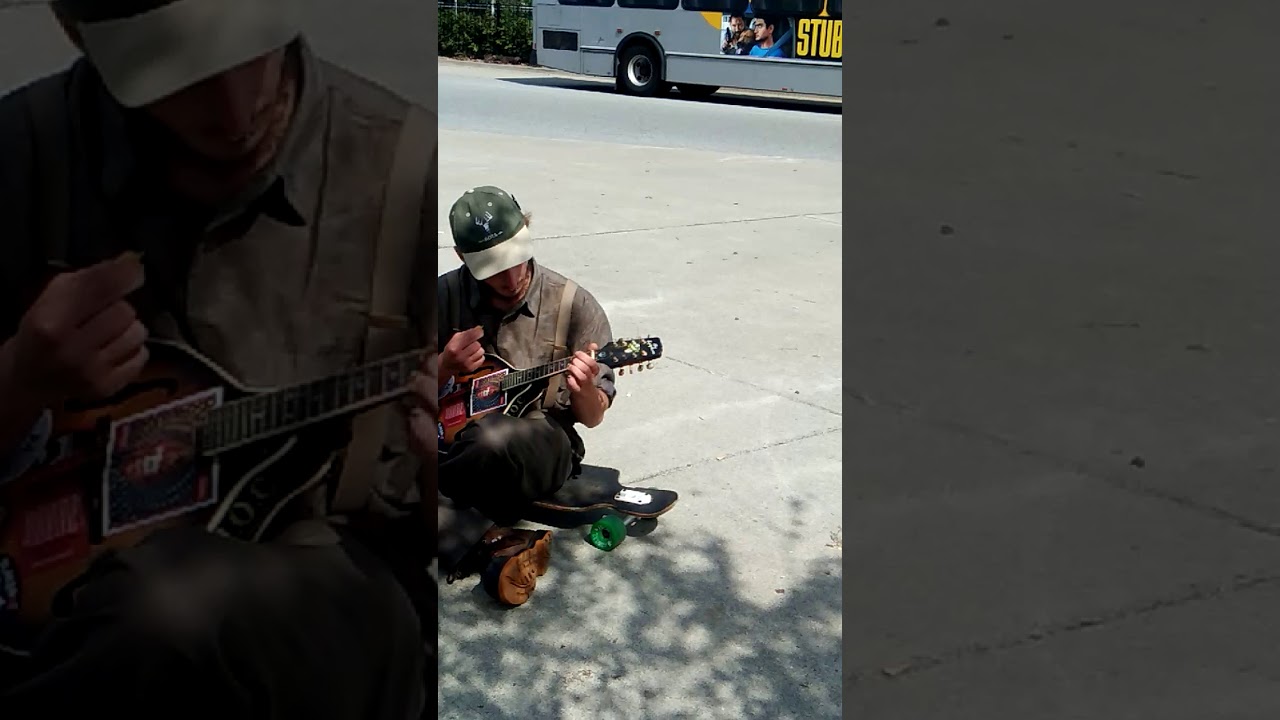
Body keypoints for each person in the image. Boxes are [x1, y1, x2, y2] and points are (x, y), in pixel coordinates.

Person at [0, 0, 437, 717]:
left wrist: (440, 465)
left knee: (166, 608)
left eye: (252, 47)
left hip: (333, 611)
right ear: (77, 29)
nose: (235, 111)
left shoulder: (409, 178)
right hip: (45, 617)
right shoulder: (22, 156)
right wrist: (16, 384)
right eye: (178, 72)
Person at [436, 186, 616, 607]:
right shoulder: (443, 296)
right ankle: (496, 539)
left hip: (541, 441)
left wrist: (585, 388)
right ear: (463, 258)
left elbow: (592, 417)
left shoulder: (574, 304)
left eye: (517, 257)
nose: (512, 277)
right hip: (451, 435)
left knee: (492, 437)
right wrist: (442, 366)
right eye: (495, 268)